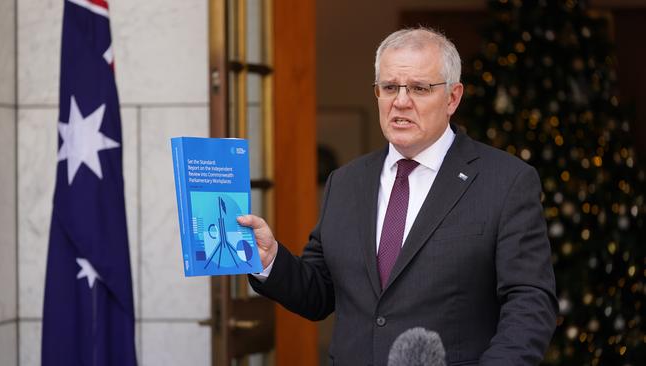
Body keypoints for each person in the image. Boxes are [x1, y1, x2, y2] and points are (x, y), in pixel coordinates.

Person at [238, 27, 557, 366]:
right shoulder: (345, 182)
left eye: (419, 88)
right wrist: (269, 259)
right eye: (389, 87)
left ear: (453, 97)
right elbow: (320, 293)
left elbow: (529, 303)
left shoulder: (505, 181)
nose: (400, 101)